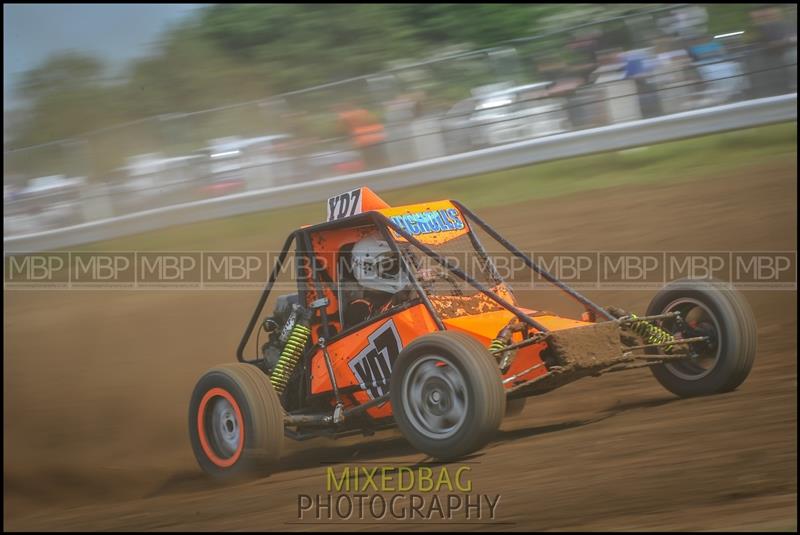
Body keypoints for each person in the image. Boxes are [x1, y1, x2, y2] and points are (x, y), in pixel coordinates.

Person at [340, 232, 413, 327]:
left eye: (402, 261)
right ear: (367, 269)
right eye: (390, 265)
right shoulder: (359, 308)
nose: (402, 269)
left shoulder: (405, 292)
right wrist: (399, 299)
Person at [336, 103, 388, 170]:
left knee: (370, 161)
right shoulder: (363, 111)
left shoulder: (344, 116)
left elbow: (341, 129)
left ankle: (375, 171)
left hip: (364, 140)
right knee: (381, 158)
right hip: (377, 136)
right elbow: (375, 120)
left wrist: (351, 139)